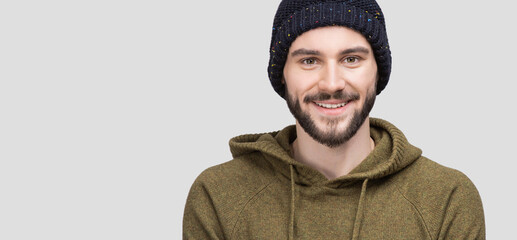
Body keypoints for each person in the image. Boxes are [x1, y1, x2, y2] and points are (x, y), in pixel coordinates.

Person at [183, 0, 485, 239]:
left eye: (351, 59)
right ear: (282, 75)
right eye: (309, 61)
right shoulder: (219, 196)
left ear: (377, 71)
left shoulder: (446, 198)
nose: (331, 83)